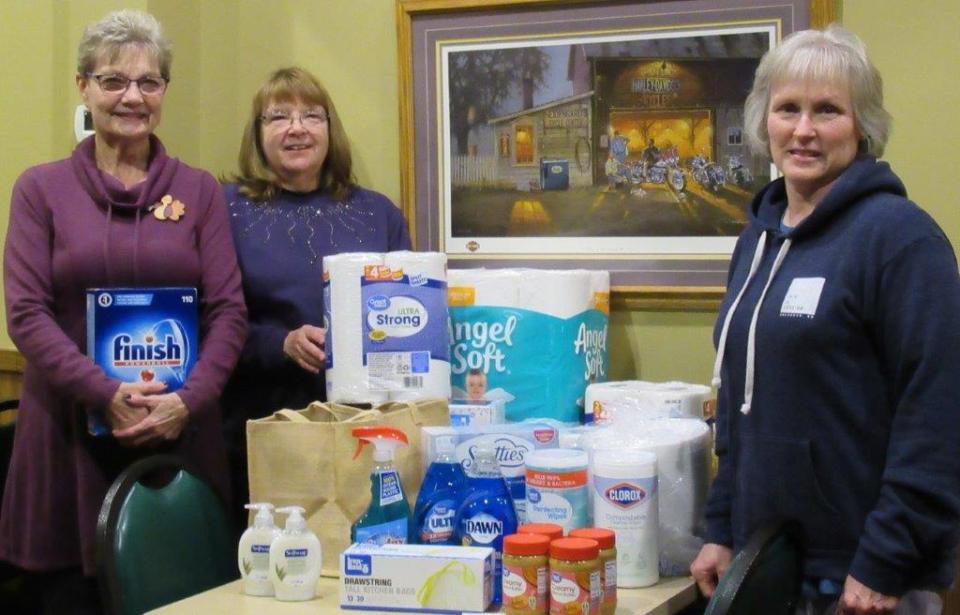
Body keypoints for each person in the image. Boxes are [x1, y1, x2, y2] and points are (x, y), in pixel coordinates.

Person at [691, 25, 960, 615]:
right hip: (769, 565)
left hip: (865, 584)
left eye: (828, 111)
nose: (804, 130)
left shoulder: (901, 239)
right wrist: (721, 527)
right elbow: (738, 403)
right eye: (788, 109)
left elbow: (938, 414)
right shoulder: (756, 242)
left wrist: (885, 562)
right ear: (764, 120)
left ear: (862, 126)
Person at [0, 10, 246, 613]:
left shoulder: (198, 191)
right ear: (83, 87)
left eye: (148, 82)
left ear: (164, 92)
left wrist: (187, 399)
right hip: (65, 438)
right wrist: (103, 390)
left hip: (177, 432)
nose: (131, 96)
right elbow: (26, 312)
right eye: (112, 81)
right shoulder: (40, 189)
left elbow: (229, 311)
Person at [221, 67, 411, 526]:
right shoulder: (225, 209)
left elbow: (412, 313)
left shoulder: (378, 212)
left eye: (312, 115)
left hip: (365, 430)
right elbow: (211, 321)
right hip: (263, 421)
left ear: (330, 129)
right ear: (258, 133)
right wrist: (280, 343)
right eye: (278, 116)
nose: (297, 128)